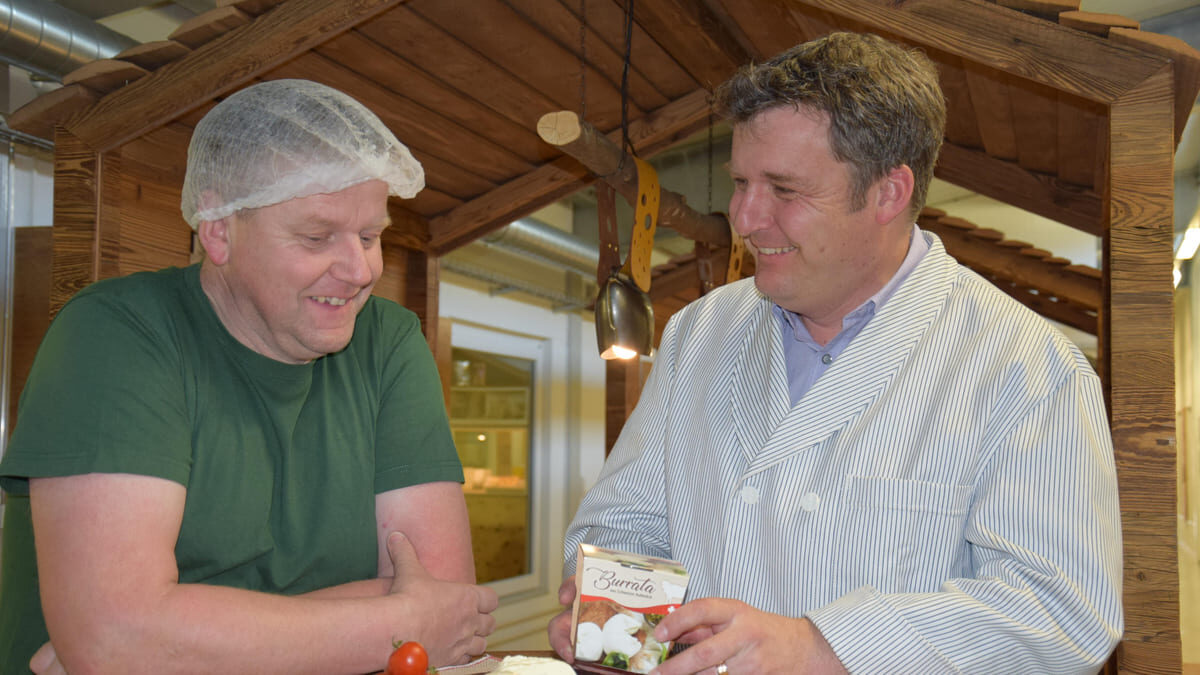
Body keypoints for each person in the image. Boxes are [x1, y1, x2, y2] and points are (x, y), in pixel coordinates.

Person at [548, 32, 1123, 674]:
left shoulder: (1027, 366)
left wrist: (820, 647)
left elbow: (1058, 613)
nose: (744, 217)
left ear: (888, 193)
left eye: (784, 190)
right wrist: (617, 625)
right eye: (740, 182)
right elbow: (625, 523)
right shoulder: (700, 332)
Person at [0, 79, 497, 674]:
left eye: (370, 236)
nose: (360, 269)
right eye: (317, 237)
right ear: (219, 231)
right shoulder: (118, 333)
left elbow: (447, 602)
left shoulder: (388, 342)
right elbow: (117, 640)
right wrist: (401, 624)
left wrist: (175, 642)